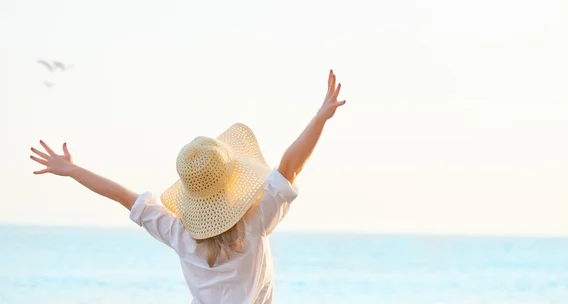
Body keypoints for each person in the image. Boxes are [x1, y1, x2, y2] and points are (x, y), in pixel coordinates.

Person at [29, 70, 347, 304]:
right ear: (232, 182)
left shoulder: (179, 233)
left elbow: (120, 195)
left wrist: (71, 169)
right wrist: (320, 117)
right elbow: (291, 166)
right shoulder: (256, 221)